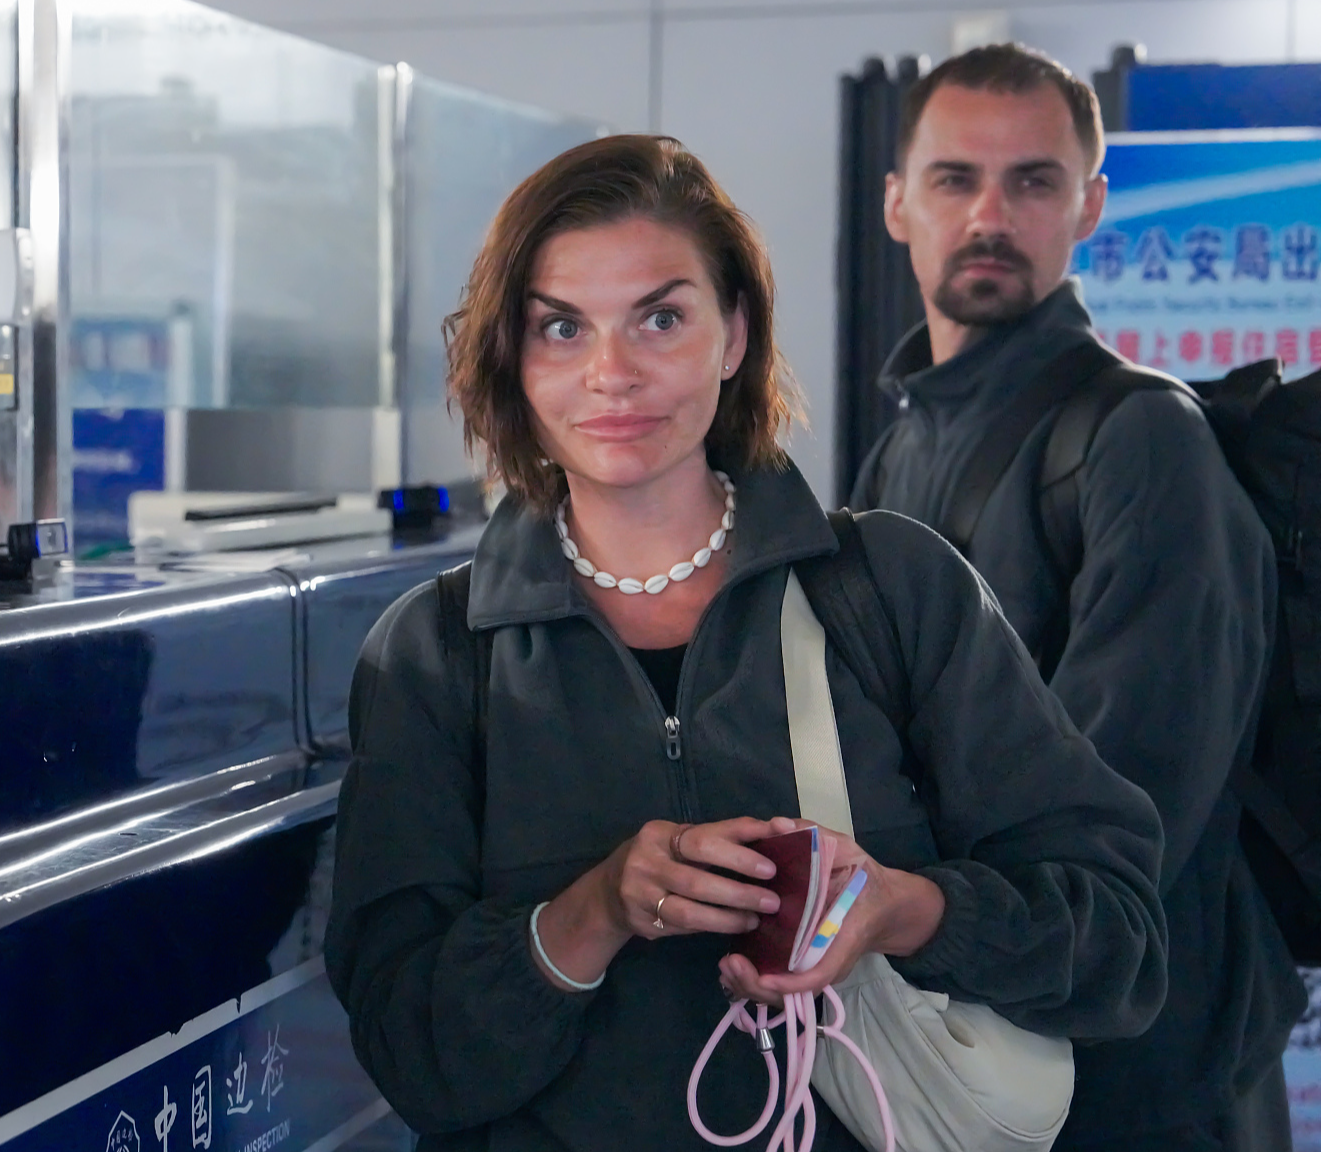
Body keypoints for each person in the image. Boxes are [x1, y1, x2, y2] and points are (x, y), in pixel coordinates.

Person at [325, 133, 1169, 1152]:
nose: (610, 373)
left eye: (660, 318)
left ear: (731, 336)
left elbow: (1118, 938)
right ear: (510, 354)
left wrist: (903, 912)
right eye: (559, 326)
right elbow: (412, 1058)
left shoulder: (892, 591)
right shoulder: (433, 655)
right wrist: (590, 913)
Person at [854, 44, 1303, 1152]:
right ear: (896, 204)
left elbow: (1121, 824)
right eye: (954, 179)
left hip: (1142, 1077)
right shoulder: (898, 448)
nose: (989, 215)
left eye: (1033, 181)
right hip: (968, 1049)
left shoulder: (1143, 441)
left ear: (1089, 205)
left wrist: (908, 906)